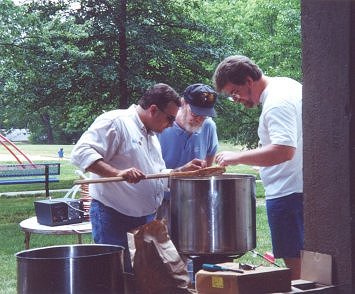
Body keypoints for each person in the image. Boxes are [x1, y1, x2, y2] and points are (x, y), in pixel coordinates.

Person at [70, 83, 206, 272]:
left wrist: (181, 171)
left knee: (142, 276)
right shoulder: (116, 121)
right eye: (169, 118)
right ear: (153, 110)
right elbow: (81, 152)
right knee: (116, 274)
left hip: (145, 219)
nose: (170, 125)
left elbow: (156, 175)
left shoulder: (151, 135)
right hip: (113, 216)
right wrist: (117, 173)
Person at [212, 55, 303, 280]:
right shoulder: (287, 85)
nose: (237, 99)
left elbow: (284, 150)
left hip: (288, 192)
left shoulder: (276, 103)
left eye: (235, 92)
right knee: (310, 264)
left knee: (299, 271)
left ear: (248, 80)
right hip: (297, 188)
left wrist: (236, 157)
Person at [157, 83, 219, 226]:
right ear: (183, 103)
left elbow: (210, 155)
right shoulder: (162, 125)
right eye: (195, 113)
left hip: (192, 199)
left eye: (204, 116)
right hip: (160, 199)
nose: (199, 119)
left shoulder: (208, 126)